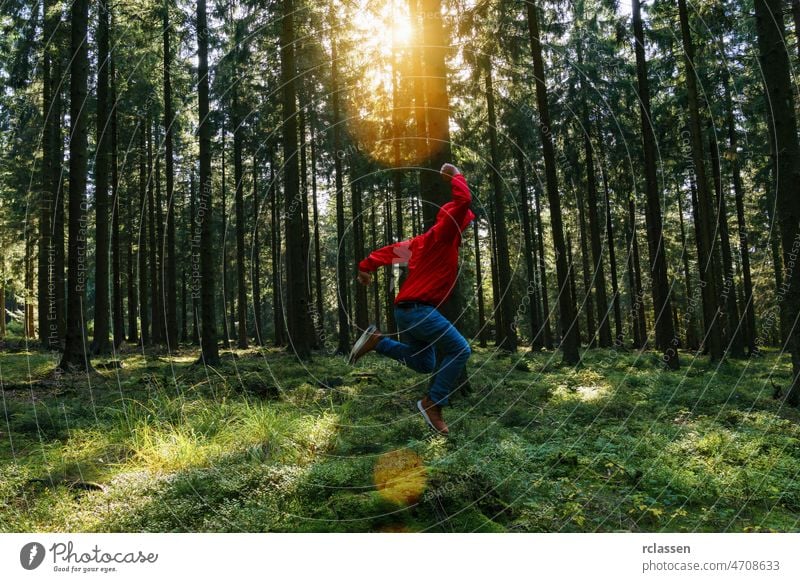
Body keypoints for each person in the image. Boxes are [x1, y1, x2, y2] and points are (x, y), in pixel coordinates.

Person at [348, 163, 474, 436]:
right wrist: (455, 175)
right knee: (461, 349)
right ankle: (432, 403)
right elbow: (463, 200)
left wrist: (367, 265)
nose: (466, 228)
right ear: (455, 222)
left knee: (424, 363)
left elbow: (393, 251)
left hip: (407, 312)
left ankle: (378, 342)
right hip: (418, 311)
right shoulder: (444, 235)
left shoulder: (421, 242)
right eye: (465, 223)